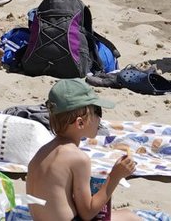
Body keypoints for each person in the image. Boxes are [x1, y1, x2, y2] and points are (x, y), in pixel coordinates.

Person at [26, 79, 141, 221]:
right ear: (80, 123)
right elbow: (88, 213)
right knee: (131, 217)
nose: (100, 118)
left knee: (125, 214)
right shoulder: (78, 158)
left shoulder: (42, 151)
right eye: (97, 111)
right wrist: (115, 176)